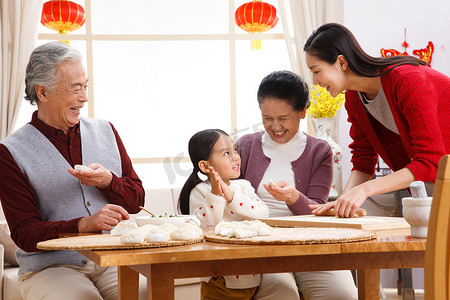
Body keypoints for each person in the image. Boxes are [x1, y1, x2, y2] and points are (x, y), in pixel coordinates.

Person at [0, 42, 145, 300]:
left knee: (148, 294)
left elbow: (136, 202)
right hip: (51, 268)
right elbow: (24, 233)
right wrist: (83, 224)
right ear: (43, 92)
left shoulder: (106, 131)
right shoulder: (10, 152)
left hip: (110, 259)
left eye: (85, 86)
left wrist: (108, 181)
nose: (85, 96)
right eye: (75, 88)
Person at [303, 23, 450, 218]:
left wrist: (365, 190)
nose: (314, 81)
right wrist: (343, 202)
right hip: (438, 192)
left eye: (316, 71)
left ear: (341, 62)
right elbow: (363, 161)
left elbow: (431, 160)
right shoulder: (354, 99)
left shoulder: (407, 80)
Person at [236, 70, 358, 300]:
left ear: (303, 111)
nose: (275, 126)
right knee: (281, 291)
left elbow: (318, 211)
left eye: (283, 118)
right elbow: (231, 199)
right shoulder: (245, 146)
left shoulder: (319, 150)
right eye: (267, 118)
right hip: (260, 245)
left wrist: (293, 197)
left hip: (309, 242)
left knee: (343, 294)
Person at [179, 128, 269, 300]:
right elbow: (206, 226)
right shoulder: (200, 191)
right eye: (227, 153)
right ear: (205, 166)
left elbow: (263, 213)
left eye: (234, 150)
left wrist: (232, 196)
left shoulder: (243, 186)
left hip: (252, 276)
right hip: (220, 279)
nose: (235, 157)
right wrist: (216, 194)